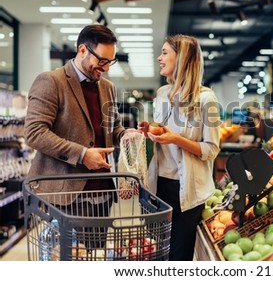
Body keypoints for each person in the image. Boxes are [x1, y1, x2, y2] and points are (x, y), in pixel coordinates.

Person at [24, 24, 135, 249]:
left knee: (96, 259)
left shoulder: (108, 88)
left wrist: (126, 135)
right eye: (102, 60)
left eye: (110, 62)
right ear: (83, 50)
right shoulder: (51, 81)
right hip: (66, 196)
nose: (106, 68)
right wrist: (82, 154)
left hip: (102, 194)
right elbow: (34, 133)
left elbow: (111, 129)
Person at [139, 34, 221, 261]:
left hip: (188, 190)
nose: (159, 58)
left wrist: (176, 139)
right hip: (159, 186)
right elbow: (162, 130)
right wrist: (151, 131)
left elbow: (211, 150)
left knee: (178, 256)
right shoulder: (162, 94)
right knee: (157, 254)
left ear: (182, 57)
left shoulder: (206, 99)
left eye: (165, 52)